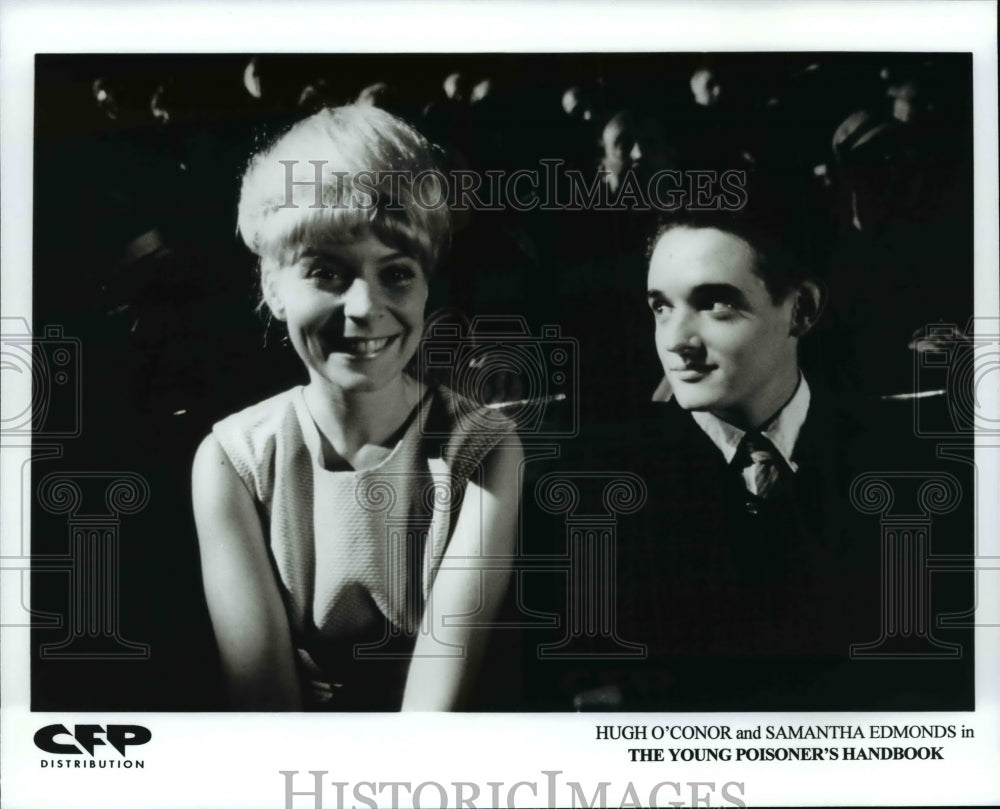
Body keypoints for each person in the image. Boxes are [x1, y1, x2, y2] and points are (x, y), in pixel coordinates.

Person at [570, 202, 972, 711]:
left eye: (716, 304)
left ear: (801, 308)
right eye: (661, 307)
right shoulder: (602, 491)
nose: (677, 341)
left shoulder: (913, 468)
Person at [191, 105, 523, 711]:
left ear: (427, 284)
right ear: (272, 287)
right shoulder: (233, 460)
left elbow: (435, 706)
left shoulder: (483, 445)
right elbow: (267, 708)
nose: (366, 307)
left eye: (397, 273)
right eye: (327, 272)